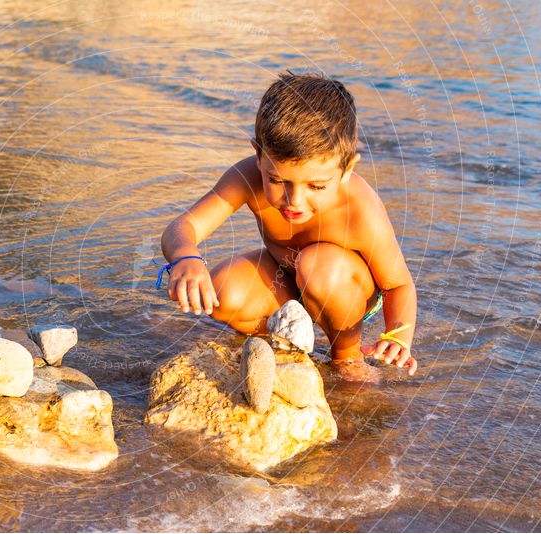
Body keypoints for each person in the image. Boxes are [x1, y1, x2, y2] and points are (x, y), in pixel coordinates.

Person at [158, 72, 417, 381]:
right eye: (278, 180)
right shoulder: (247, 178)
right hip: (287, 277)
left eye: (316, 187)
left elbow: (398, 285)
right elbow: (184, 225)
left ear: (346, 170)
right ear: (258, 155)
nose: (294, 200)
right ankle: (286, 342)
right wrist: (186, 258)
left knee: (320, 267)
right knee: (224, 292)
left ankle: (346, 358)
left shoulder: (360, 209)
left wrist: (398, 336)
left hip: (342, 286)